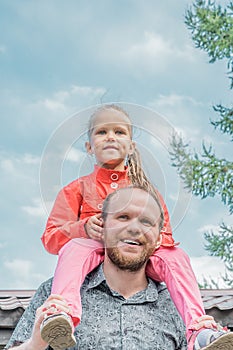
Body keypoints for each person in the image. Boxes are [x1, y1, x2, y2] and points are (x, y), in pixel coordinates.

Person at [40, 104, 230, 350]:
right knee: (74, 247)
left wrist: (155, 238)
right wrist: (83, 228)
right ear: (89, 147)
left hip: (138, 260)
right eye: (101, 132)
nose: (110, 136)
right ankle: (61, 314)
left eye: (119, 132)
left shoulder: (147, 192)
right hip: (93, 256)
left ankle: (200, 329)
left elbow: (165, 234)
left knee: (176, 255)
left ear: (131, 146)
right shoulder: (75, 190)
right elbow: (51, 238)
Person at [5, 186, 188, 350]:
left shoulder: (176, 306)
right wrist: (35, 345)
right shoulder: (53, 296)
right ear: (102, 227)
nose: (134, 228)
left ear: (158, 239)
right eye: (123, 217)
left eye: (146, 222)